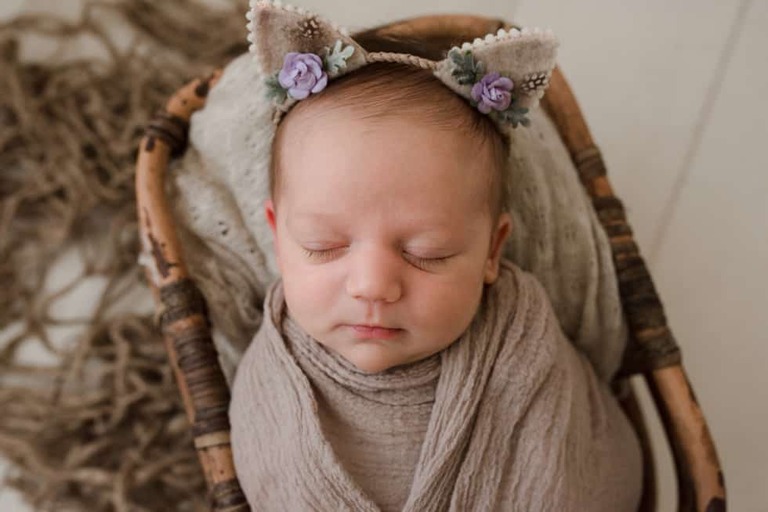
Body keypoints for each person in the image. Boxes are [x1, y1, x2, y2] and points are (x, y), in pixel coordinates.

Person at [229, 2, 642, 510]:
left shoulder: (521, 341)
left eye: (428, 253)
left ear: (492, 251)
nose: (373, 285)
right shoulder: (273, 373)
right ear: (278, 238)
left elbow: (582, 471)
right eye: (323, 245)